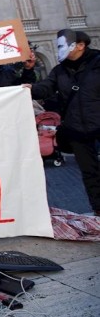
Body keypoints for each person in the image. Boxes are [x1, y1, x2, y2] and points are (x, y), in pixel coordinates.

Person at [26, 29, 100, 216]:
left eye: (62, 45)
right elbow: (46, 88)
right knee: (90, 174)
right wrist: (30, 89)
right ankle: (99, 210)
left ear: (81, 45)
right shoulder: (60, 71)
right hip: (78, 130)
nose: (59, 49)